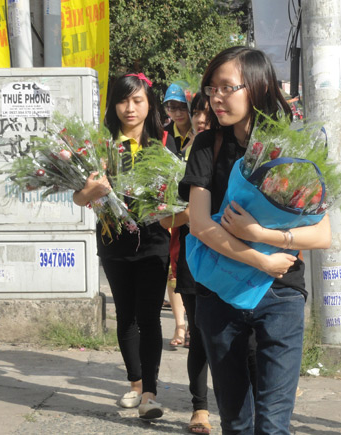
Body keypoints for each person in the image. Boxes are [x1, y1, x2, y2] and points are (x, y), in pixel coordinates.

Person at [179, 46, 331, 434]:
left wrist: (262, 234)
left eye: (227, 87)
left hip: (280, 294)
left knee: (273, 422)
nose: (216, 97)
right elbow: (198, 224)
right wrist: (260, 257)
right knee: (236, 421)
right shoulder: (206, 146)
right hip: (219, 294)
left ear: (257, 88)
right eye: (211, 88)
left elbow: (322, 233)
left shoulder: (290, 150)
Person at [73, 72, 177, 420]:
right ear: (113, 104)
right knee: (125, 315)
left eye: (137, 101)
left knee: (149, 317)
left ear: (150, 104)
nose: (129, 108)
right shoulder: (101, 147)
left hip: (153, 242)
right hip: (113, 242)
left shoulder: (163, 145)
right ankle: (134, 384)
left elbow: (179, 194)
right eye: (122, 100)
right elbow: (78, 197)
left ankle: (149, 392)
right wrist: (94, 190)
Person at [160, 92, 213, 433]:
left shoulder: (240, 154)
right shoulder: (177, 157)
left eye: (206, 115)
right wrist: (195, 215)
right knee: (201, 335)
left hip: (237, 259)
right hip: (194, 256)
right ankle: (201, 408)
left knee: (237, 337)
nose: (201, 119)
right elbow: (167, 219)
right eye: (198, 113)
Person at [162, 81, 190, 347]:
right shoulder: (163, 136)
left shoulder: (200, 133)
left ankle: (194, 324)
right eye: (172, 107)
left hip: (197, 206)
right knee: (174, 269)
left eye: (182, 107)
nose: (177, 112)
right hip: (171, 207)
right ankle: (180, 326)